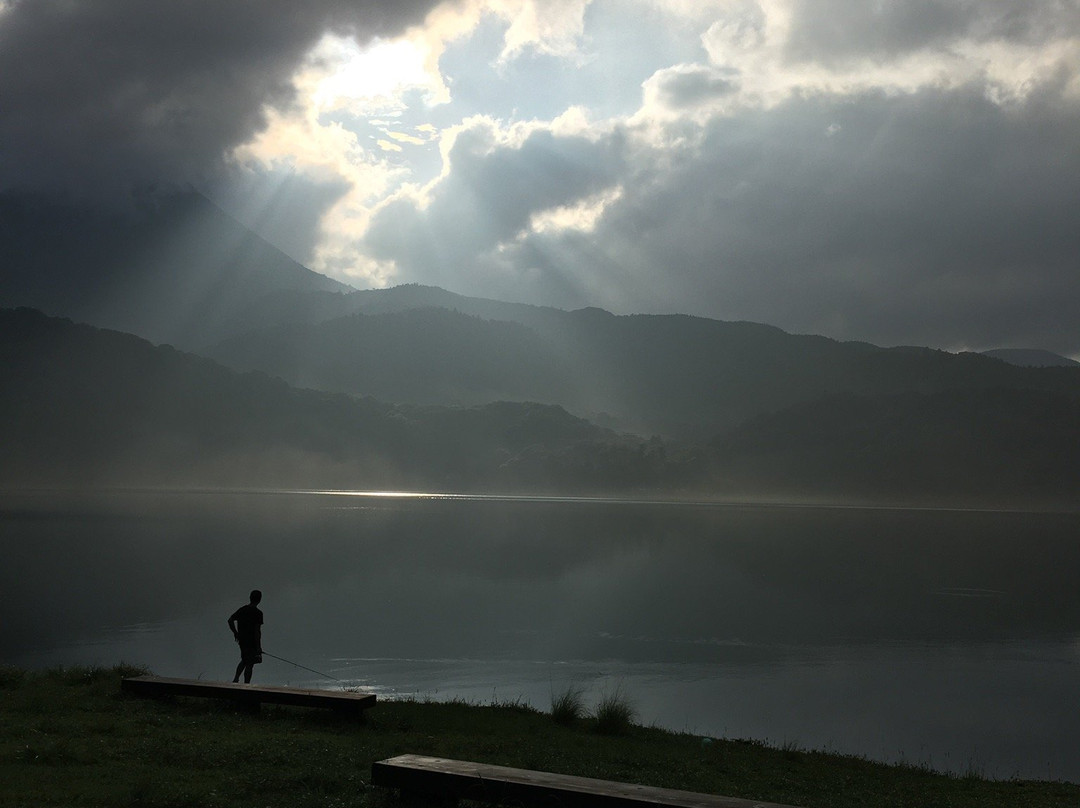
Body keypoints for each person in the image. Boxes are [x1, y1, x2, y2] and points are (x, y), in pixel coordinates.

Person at [228, 589, 263, 683]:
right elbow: (257, 631)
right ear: (259, 599)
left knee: (244, 660)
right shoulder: (258, 613)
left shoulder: (242, 609)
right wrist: (258, 647)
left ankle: (236, 679)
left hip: (242, 640)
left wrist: (235, 633)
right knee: (250, 664)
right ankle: (246, 684)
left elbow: (230, 620)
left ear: (250, 598)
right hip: (252, 642)